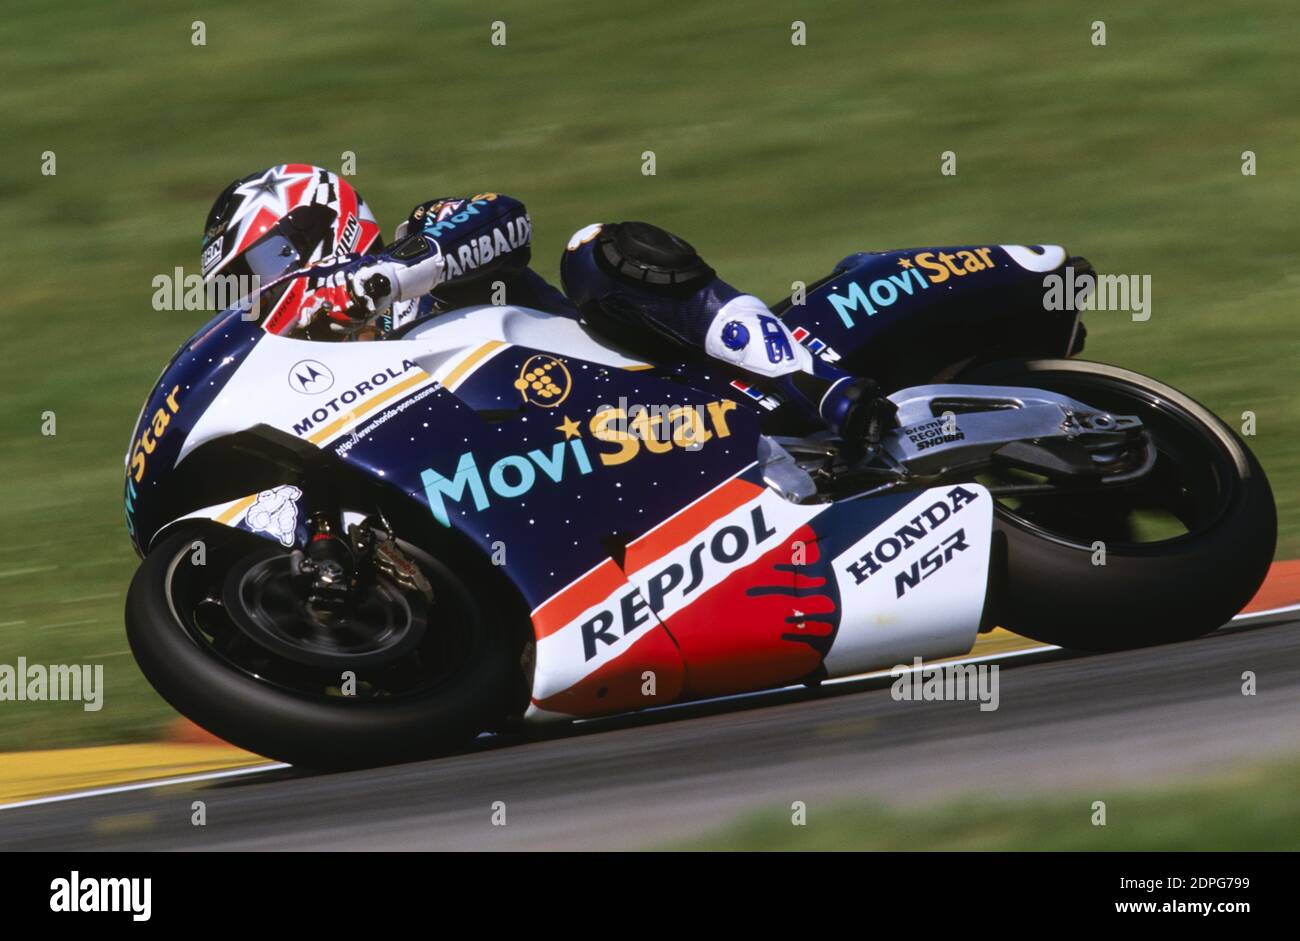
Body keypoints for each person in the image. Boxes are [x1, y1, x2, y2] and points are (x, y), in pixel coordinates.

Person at [202, 169, 896, 442]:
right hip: (561, 464)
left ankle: (819, 385)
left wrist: (389, 277)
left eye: (263, 264)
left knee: (596, 252)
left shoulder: (426, 235)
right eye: (242, 285)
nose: (258, 293)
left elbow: (505, 217)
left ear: (321, 225)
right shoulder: (324, 385)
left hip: (657, 388)